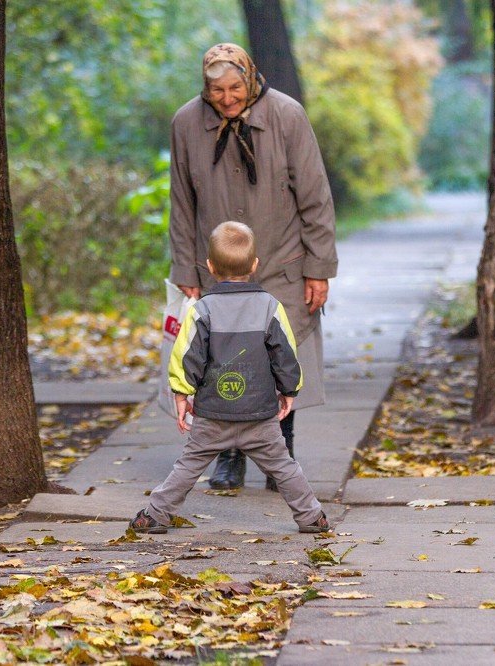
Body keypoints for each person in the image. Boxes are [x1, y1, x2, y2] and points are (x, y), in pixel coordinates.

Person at [168, 43, 337, 491]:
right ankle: (228, 455)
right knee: (220, 360)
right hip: (218, 269)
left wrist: (319, 267)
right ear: (205, 88)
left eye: (235, 87)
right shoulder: (187, 123)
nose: (227, 98)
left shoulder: (287, 115)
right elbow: (182, 203)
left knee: (281, 354)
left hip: (283, 263)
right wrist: (186, 270)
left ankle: (282, 453)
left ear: (250, 77)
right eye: (217, 89)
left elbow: (315, 196)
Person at [130, 222, 330, 534]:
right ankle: (312, 516)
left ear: (209, 266)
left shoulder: (201, 310)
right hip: (260, 416)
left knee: (188, 466)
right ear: (254, 265)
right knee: (283, 466)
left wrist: (181, 395)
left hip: (213, 416)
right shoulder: (270, 307)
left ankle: (155, 515)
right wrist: (290, 390)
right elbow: (286, 353)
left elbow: (186, 357)